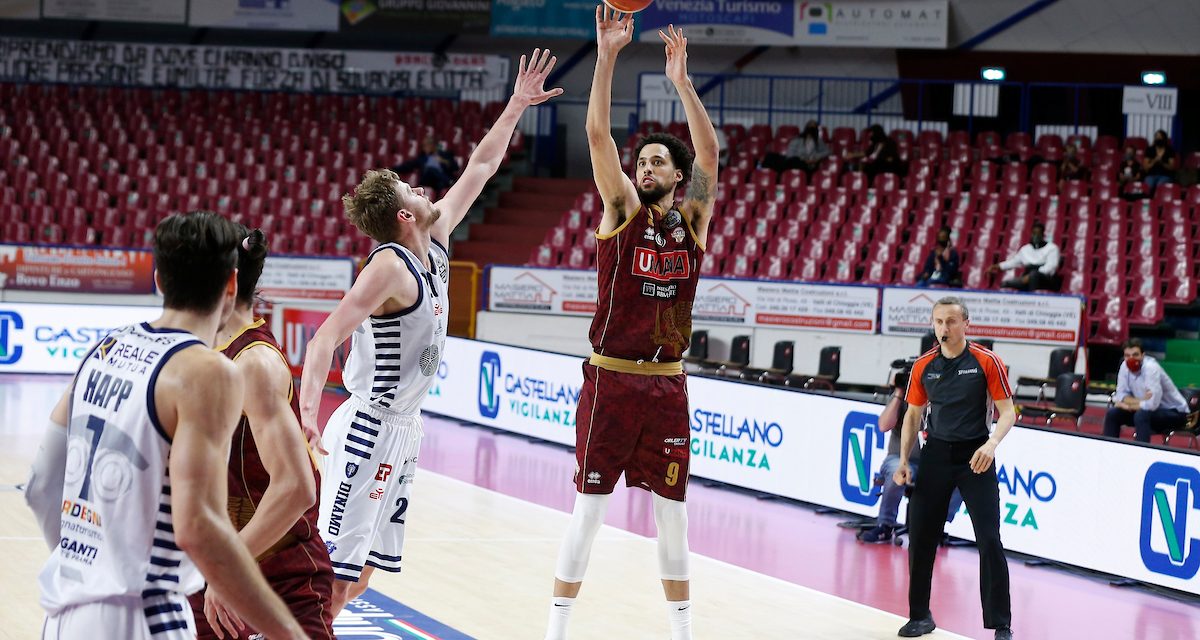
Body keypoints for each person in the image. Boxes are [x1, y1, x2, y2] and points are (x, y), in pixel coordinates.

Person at [299, 48, 562, 617]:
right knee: (333, 580)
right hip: (369, 426)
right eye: (408, 190)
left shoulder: (435, 242)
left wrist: (517, 103)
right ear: (403, 217)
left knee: (364, 578)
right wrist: (307, 416)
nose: (420, 188)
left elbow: (482, 167)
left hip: (406, 430)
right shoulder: (387, 266)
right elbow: (323, 340)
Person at [25, 212, 304, 639]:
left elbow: (41, 484)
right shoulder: (209, 371)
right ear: (232, 285)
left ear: (158, 279)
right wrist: (289, 633)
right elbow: (200, 530)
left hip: (64, 613)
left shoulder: (105, 347)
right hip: (142, 614)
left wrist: (88, 570)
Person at [542, 11, 718, 640]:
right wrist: (607, 56)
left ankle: (682, 633)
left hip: (667, 385)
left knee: (674, 518)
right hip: (611, 383)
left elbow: (710, 154)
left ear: (675, 176)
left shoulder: (692, 221)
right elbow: (595, 136)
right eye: (639, 161)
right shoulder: (619, 211)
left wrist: (682, 83)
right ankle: (557, 630)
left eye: (655, 163)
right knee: (588, 511)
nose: (643, 168)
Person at [187, 226, 335, 639]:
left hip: (280, 569)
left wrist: (227, 567)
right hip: (220, 563)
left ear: (227, 284)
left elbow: (296, 488)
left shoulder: (254, 363)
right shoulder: (200, 349)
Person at [894, 297, 1015, 640]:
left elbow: (1008, 412)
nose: (943, 329)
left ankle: (1001, 624)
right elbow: (913, 416)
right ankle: (919, 615)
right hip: (935, 454)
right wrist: (904, 460)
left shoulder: (985, 361)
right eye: (938, 322)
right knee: (919, 533)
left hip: (975, 454)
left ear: (966, 324)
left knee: (989, 538)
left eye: (950, 321)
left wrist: (991, 445)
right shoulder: (923, 366)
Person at [1102, 338, 1190, 443]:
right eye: (1127, 355)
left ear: (1142, 355)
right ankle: (1109, 450)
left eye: (1135, 355)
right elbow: (1121, 395)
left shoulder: (1151, 368)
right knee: (1113, 413)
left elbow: (1152, 404)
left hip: (1175, 412)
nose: (1131, 359)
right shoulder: (1124, 366)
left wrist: (1127, 404)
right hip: (1146, 411)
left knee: (1141, 415)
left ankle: (1141, 453)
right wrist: (1141, 400)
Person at [990, 221, 1061, 292]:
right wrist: (997, 266)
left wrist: (1030, 276)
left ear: (1043, 235)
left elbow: (1051, 266)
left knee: (1034, 275)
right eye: (1034, 233)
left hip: (1045, 278)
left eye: (1038, 234)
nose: (1036, 236)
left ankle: (1032, 300)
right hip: (1027, 277)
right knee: (1005, 284)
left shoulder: (1052, 248)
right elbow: (1013, 262)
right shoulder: (1025, 249)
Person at [760, 120, 829, 176]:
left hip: (808, 165)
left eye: (813, 127)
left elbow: (828, 151)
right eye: (810, 127)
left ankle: (780, 174)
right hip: (796, 160)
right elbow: (790, 154)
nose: (811, 130)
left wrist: (815, 158)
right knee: (770, 157)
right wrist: (803, 159)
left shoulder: (819, 142)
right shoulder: (797, 139)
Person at [393, 134, 460, 191]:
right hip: (428, 180)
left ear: (433, 145)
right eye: (424, 145)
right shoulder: (422, 158)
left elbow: (455, 168)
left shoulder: (445, 155)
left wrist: (444, 161)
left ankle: (448, 182)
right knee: (431, 169)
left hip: (440, 182)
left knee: (439, 181)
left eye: (427, 145)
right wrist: (392, 169)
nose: (425, 148)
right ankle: (450, 182)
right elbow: (408, 166)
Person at [1142, 129, 1177, 194]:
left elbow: (1172, 167)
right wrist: (1154, 161)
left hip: (1165, 175)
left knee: (1160, 186)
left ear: (1164, 139)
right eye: (1157, 137)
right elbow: (1145, 167)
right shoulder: (1150, 150)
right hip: (1151, 175)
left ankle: (1157, 202)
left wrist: (1162, 163)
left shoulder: (1170, 150)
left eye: (1160, 137)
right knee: (1149, 185)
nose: (1158, 139)